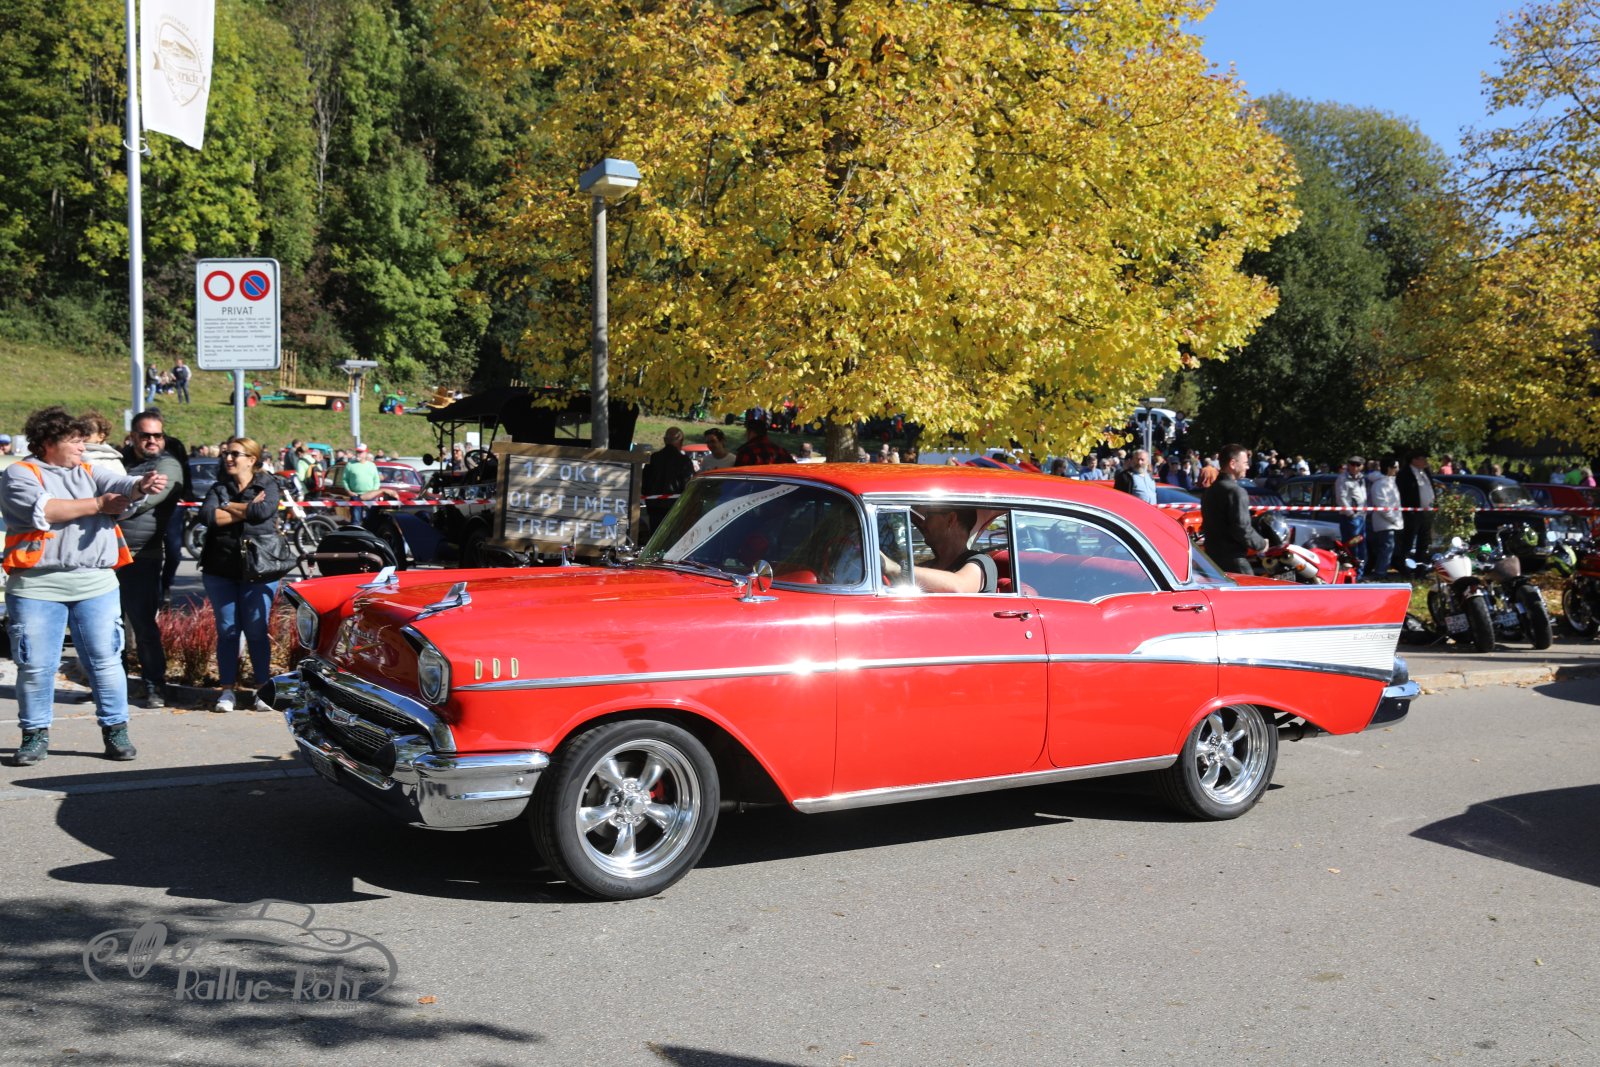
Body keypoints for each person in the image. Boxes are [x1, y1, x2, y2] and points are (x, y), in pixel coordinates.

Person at [2, 406, 169, 764]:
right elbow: (46, 510)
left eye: (83, 441)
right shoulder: (19, 473)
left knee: (106, 661)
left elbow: (121, 484)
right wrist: (97, 504)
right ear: (48, 442)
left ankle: (116, 731)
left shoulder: (89, 469)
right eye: (75, 441)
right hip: (36, 587)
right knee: (36, 666)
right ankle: (34, 736)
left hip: (95, 583)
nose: (82, 447)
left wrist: (140, 486)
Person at [198, 437, 282, 713]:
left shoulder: (267, 484)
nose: (229, 458)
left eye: (235, 454)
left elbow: (263, 511)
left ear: (251, 459)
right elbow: (208, 517)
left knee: (256, 630)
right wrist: (245, 509)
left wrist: (228, 507)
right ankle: (227, 691)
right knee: (228, 631)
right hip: (220, 569)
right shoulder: (219, 487)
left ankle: (262, 689)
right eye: (226, 454)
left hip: (259, 569)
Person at [117, 411, 184, 707]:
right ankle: (112, 686)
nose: (152, 440)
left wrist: (105, 503)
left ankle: (155, 686)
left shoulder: (168, 465)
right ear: (132, 436)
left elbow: (145, 502)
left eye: (158, 435)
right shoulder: (119, 461)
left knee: (143, 626)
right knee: (108, 627)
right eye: (145, 435)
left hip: (141, 556)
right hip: (106, 555)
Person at [882, 507, 998, 593]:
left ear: (950, 519)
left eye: (928, 515)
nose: (923, 524)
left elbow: (959, 586)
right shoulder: (927, 566)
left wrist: (896, 568)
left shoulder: (982, 562)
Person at [1201, 443, 1266, 575]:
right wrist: (1262, 544)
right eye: (1245, 463)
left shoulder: (1209, 491)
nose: (1247, 467)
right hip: (1235, 562)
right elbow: (1242, 528)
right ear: (1232, 463)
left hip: (1212, 562)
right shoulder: (1236, 492)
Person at [642, 427, 695, 528]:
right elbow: (688, 485)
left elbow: (644, 483)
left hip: (654, 507)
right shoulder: (684, 461)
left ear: (665, 440)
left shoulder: (654, 458)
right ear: (681, 441)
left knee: (656, 533)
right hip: (675, 507)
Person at [1366, 458, 1403, 579]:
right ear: (1388, 468)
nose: (1397, 470)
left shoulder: (1391, 482)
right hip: (1385, 523)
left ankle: (1383, 571)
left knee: (1388, 548)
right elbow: (1381, 505)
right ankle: (1380, 572)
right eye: (1395, 467)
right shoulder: (1379, 484)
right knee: (1386, 548)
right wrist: (1394, 519)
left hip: (1392, 522)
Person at [1333, 455, 1369, 578]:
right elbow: (1341, 498)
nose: (1354, 467)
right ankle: (1352, 573)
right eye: (1352, 464)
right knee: (1352, 547)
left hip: (1362, 516)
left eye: (1358, 465)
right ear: (1348, 465)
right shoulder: (1342, 478)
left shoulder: (1362, 478)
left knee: (1361, 547)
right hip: (1350, 518)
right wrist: (1351, 514)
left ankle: (1360, 573)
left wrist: (1363, 513)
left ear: (1362, 466)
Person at [1397, 451, 1435, 566]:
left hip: (1427, 512)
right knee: (1408, 540)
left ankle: (1420, 566)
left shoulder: (1425, 472)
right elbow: (1402, 493)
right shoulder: (1405, 473)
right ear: (1414, 460)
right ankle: (1404, 565)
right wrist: (1409, 511)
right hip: (1412, 513)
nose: (1425, 461)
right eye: (1423, 458)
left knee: (1424, 541)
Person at [80, 412, 127, 478]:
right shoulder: (73, 453)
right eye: (79, 432)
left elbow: (122, 479)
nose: (81, 436)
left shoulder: (112, 458)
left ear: (101, 436)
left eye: (87, 433)